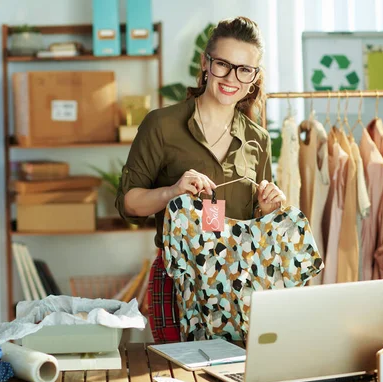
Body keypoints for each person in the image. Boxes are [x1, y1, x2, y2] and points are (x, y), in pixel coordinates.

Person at [115, 16, 286, 343]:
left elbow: (259, 229)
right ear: (205, 63)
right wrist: (171, 191)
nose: (231, 78)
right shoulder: (161, 126)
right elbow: (129, 203)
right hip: (179, 282)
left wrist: (266, 209)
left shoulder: (257, 139)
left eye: (244, 69)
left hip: (239, 284)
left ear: (254, 78)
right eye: (223, 64)